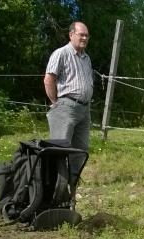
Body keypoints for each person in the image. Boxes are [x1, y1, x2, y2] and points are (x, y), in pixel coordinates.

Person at [43, 21, 93, 203]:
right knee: (59, 152)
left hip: (84, 109)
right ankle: (53, 196)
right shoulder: (61, 53)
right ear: (71, 34)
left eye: (87, 35)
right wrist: (56, 103)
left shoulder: (86, 58)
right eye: (81, 34)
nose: (85, 38)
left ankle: (70, 196)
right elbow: (49, 79)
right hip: (66, 107)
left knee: (80, 152)